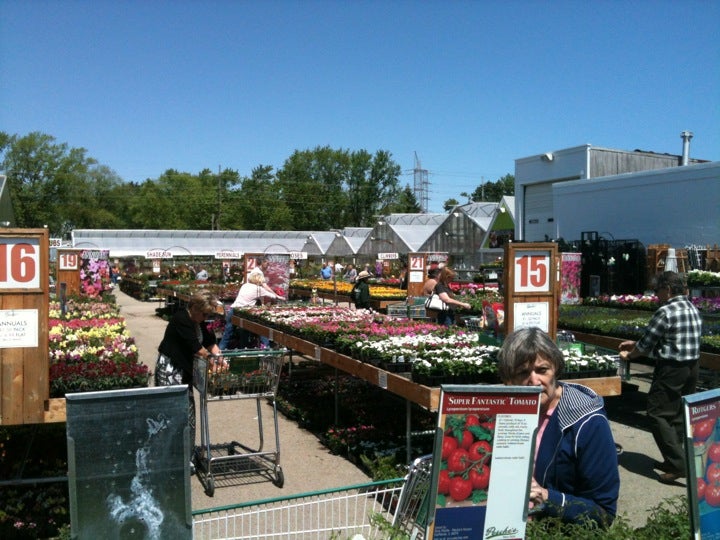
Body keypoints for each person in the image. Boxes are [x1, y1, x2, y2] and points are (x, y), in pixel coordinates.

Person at [498, 327, 619, 526]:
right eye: (522, 372)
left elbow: (604, 512)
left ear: (556, 369)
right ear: (508, 379)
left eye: (542, 370)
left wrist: (548, 498)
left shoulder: (587, 423)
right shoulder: (505, 411)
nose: (533, 381)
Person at [618, 271, 702, 483]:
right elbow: (670, 341)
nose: (656, 295)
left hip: (671, 368)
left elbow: (646, 346)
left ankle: (679, 464)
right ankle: (674, 459)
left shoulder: (666, 311)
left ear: (667, 289)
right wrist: (635, 344)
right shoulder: (692, 308)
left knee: (656, 413)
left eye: (657, 290)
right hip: (692, 367)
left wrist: (630, 354)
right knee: (676, 415)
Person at [156, 290, 223, 471]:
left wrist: (220, 356)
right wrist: (213, 360)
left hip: (184, 371)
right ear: (194, 308)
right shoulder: (181, 320)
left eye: (208, 314)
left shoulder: (198, 322)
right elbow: (197, 348)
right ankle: (171, 457)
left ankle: (187, 456)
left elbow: (210, 342)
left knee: (188, 413)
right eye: (204, 313)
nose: (206, 317)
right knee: (173, 414)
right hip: (171, 370)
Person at [218, 272, 284, 350]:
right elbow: (272, 296)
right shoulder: (258, 289)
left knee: (227, 335)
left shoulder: (245, 285)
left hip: (233, 310)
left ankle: (219, 353)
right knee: (255, 330)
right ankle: (264, 349)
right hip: (243, 313)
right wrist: (280, 297)